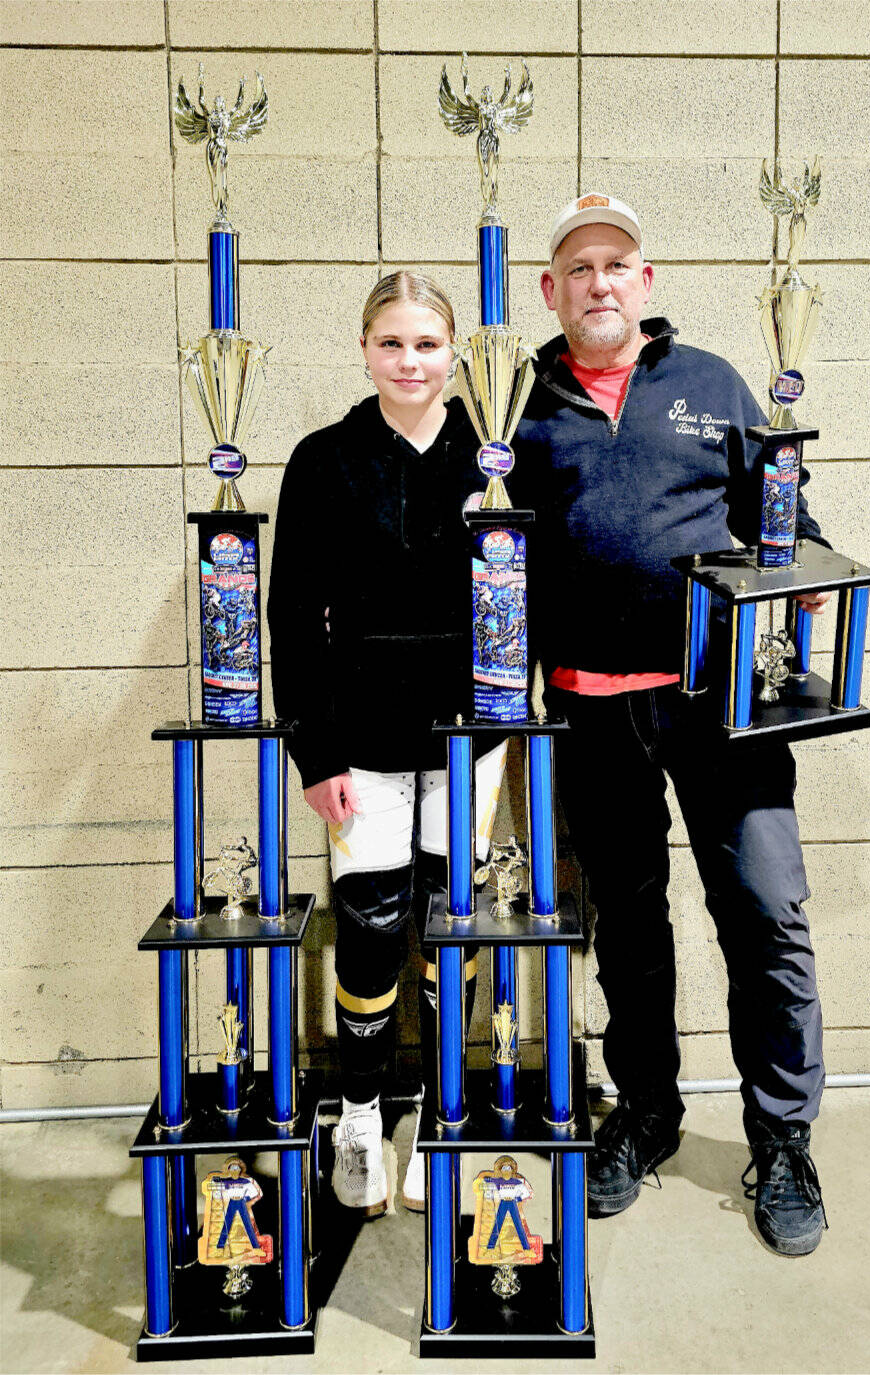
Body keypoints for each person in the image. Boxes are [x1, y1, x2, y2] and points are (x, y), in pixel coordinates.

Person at [511, 193, 831, 1255]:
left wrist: (815, 571)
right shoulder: (521, 405)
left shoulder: (713, 384)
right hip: (593, 714)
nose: (598, 281)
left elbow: (778, 501)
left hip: (718, 704)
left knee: (766, 914)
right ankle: (646, 1112)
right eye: (577, 267)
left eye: (617, 263)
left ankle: (782, 1139)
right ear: (550, 292)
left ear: (645, 284)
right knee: (632, 934)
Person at [268, 271, 506, 1216]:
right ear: (364, 348)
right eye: (392, 343)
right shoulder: (321, 459)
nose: (411, 361)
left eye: (427, 344)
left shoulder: (493, 460)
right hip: (359, 742)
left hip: (467, 743)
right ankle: (360, 1116)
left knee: (454, 933)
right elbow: (290, 617)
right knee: (368, 932)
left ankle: (443, 1123)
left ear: (453, 353)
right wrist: (313, 751)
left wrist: (504, 720)